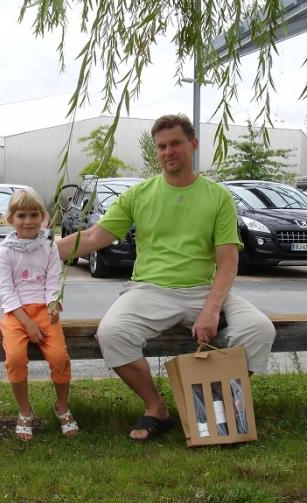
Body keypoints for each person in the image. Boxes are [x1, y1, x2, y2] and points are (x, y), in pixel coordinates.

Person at [56, 114, 275, 442]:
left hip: (203, 289)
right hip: (149, 290)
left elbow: (228, 263)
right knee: (112, 333)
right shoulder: (139, 194)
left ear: (193, 144)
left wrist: (211, 309)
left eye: (175, 143)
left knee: (259, 330)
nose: (168, 152)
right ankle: (156, 408)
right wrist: (38, 251)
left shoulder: (218, 197)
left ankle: (211, 404)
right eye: (161, 146)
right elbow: (91, 238)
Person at [0, 188, 79, 441]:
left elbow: (53, 282)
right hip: (16, 314)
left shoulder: (49, 247)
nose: (28, 221)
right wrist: (28, 323)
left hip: (44, 310)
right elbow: (7, 292)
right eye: (21, 215)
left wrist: (54, 304)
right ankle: (25, 410)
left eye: (34, 215)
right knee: (15, 358)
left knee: (59, 357)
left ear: (42, 217)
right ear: (11, 219)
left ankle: (62, 406)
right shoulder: (5, 252)